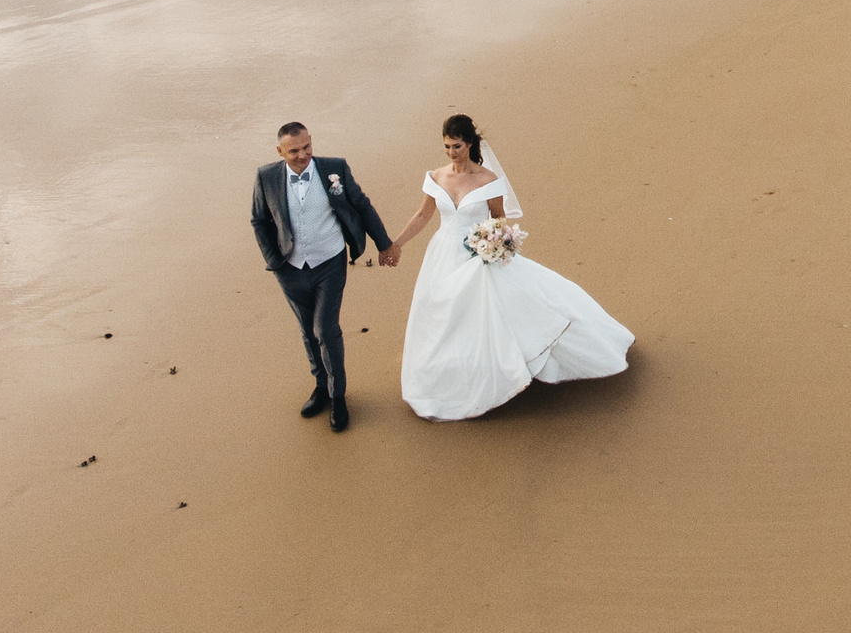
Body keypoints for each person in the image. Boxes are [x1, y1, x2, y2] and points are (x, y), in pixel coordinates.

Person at [382, 114, 633, 421]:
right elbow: (422, 216)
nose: (451, 152)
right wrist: (396, 244)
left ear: (470, 143)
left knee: (485, 312)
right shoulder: (436, 177)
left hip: (478, 255)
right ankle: (447, 373)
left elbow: (498, 219)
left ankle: (491, 371)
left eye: (457, 146)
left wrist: (493, 243)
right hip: (444, 254)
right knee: (443, 313)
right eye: (446, 146)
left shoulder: (489, 181)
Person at [249, 121, 397, 433]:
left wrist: (385, 245)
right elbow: (259, 220)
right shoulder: (266, 177)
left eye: (307, 147)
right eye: (294, 151)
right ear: (280, 151)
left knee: (325, 329)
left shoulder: (334, 169)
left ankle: (338, 395)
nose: (303, 155)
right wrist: (274, 260)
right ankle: (321, 387)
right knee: (307, 330)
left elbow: (362, 205)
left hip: (329, 262)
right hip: (289, 269)